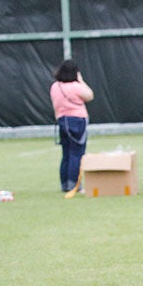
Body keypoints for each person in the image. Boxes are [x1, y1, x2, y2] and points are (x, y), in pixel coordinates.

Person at [50, 60, 94, 193]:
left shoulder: (55, 86)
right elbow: (89, 95)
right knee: (77, 153)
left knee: (66, 154)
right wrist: (81, 80)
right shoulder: (75, 86)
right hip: (77, 120)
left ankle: (65, 183)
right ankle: (75, 184)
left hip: (62, 120)